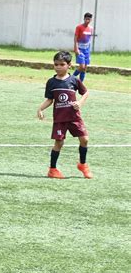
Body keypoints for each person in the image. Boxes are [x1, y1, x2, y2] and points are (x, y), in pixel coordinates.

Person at [37, 51, 93, 179]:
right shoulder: (51, 82)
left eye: (62, 64)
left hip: (74, 117)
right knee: (59, 143)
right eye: (56, 64)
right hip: (60, 119)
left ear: (69, 65)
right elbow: (50, 99)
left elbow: (85, 93)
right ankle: (52, 169)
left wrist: (79, 102)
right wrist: (40, 109)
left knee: (85, 140)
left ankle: (83, 165)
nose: (58, 67)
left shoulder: (74, 80)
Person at [73, 13, 93, 82]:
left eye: (89, 19)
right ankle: (71, 78)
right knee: (82, 66)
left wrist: (89, 52)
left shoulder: (91, 28)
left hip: (87, 50)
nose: (87, 20)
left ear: (91, 20)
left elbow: (89, 40)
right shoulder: (79, 27)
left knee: (84, 68)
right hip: (80, 49)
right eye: (86, 19)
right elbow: (75, 38)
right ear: (84, 19)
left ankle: (81, 83)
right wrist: (76, 48)